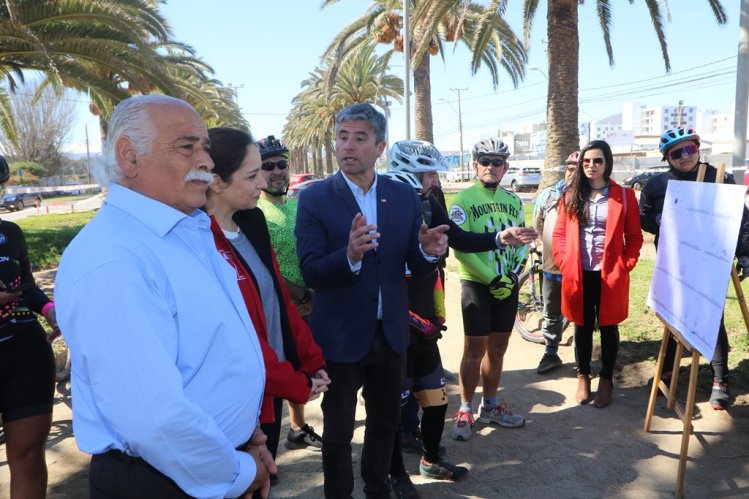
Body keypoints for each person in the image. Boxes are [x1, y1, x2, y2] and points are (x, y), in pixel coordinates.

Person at [54, 95, 274, 498]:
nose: (206, 161)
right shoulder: (114, 257)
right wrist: (240, 471)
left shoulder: (183, 233)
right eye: (187, 147)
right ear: (129, 156)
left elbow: (211, 351)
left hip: (205, 463)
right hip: (162, 480)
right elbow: (152, 416)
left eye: (205, 147)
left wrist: (244, 430)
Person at [295, 102, 449, 499]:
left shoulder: (402, 197)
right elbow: (312, 271)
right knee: (339, 432)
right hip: (341, 337)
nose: (348, 146)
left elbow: (410, 264)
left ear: (380, 146)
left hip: (392, 335)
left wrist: (429, 251)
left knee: (385, 424)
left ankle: (378, 489)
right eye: (342, 136)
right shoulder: (315, 199)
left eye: (360, 138)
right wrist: (349, 255)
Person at [385, 139, 526, 492]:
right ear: (408, 174)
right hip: (393, 317)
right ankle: (394, 473)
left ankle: (430, 461)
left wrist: (499, 238)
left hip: (424, 314)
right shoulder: (383, 204)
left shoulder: (431, 201)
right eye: (429, 174)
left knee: (435, 398)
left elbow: (457, 237)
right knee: (391, 403)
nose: (435, 181)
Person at [204, 127, 330, 481]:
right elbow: (236, 336)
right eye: (252, 174)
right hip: (235, 399)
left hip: (269, 393)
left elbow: (279, 302)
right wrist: (294, 384)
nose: (263, 182)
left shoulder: (252, 223)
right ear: (217, 182)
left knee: (264, 480)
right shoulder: (197, 240)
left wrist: (311, 359)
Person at [639, 128, 749, 410]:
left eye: (691, 149)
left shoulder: (719, 177)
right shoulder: (656, 185)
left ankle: (720, 379)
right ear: (667, 158)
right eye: (677, 153)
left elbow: (740, 217)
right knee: (673, 316)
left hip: (712, 260)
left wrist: (746, 252)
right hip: (674, 262)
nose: (685, 157)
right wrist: (660, 220)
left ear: (699, 149)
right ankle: (667, 371)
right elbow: (645, 217)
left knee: (711, 317)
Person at [448, 138, 538, 441]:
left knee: (498, 348)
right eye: (484, 161)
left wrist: (512, 276)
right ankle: (464, 408)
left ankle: (490, 405)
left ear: (506, 167)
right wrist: (491, 279)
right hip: (477, 283)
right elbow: (459, 248)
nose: (490, 166)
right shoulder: (463, 200)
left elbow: (522, 242)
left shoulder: (514, 200)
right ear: (475, 165)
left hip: (507, 283)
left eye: (497, 162)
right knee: (474, 350)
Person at [553, 140, 643, 409]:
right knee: (581, 325)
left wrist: (625, 265)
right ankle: (583, 376)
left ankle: (606, 379)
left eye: (598, 161)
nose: (591, 166)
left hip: (609, 273)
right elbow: (558, 235)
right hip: (578, 272)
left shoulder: (624, 196)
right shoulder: (570, 195)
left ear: (607, 163)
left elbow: (635, 238)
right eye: (586, 161)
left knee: (608, 326)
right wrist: (563, 261)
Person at [255, 134, 324, 451]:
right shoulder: (255, 213)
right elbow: (265, 266)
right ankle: (278, 438)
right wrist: (301, 295)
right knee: (283, 373)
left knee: (308, 367)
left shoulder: (298, 205)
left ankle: (298, 428)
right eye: (268, 166)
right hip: (283, 307)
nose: (277, 171)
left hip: (313, 305)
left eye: (282, 164)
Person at [0, 154, 59, 499]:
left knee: (28, 457)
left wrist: (50, 309)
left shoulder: (11, 233)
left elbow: (28, 289)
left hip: (25, 353)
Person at [532, 151, 578, 374]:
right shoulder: (550, 195)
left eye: (579, 169)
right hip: (553, 267)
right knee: (551, 311)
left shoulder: (593, 196)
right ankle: (550, 353)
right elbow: (538, 224)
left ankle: (583, 358)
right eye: (570, 168)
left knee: (582, 313)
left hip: (581, 269)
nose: (574, 173)